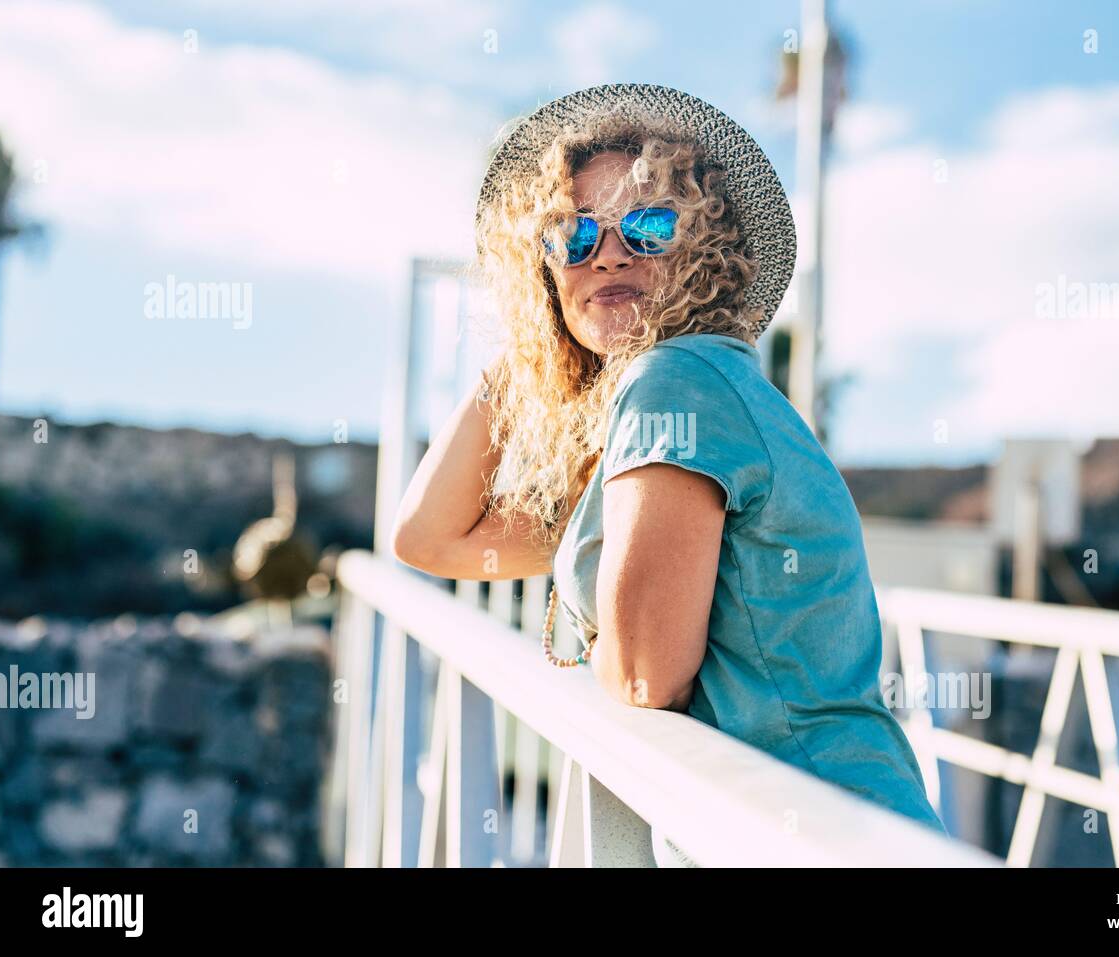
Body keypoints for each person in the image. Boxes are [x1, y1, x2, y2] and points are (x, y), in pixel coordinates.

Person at [392, 83, 947, 867]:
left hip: (819, 839)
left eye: (647, 228)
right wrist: (532, 334)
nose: (608, 252)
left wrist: (558, 286)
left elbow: (644, 673)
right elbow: (430, 538)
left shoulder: (678, 383)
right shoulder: (662, 422)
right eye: (572, 236)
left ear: (702, 252)